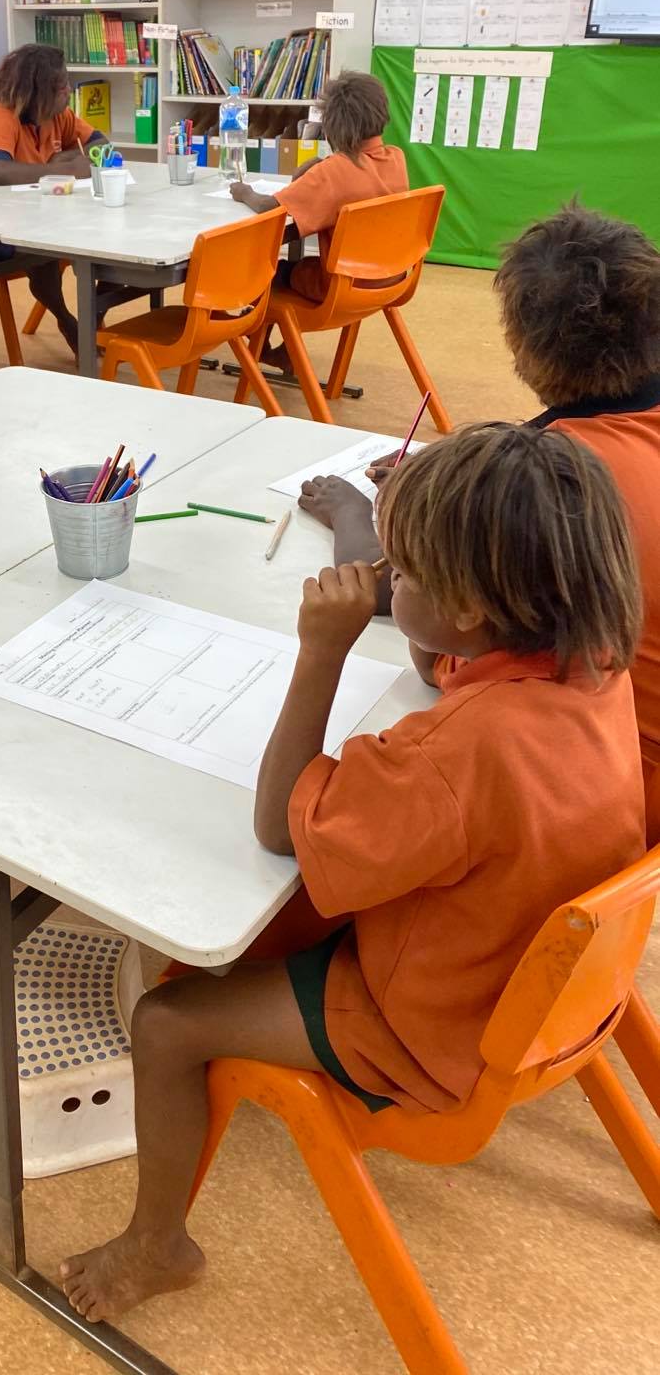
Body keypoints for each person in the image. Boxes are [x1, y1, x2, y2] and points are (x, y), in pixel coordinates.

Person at [60, 424, 646, 1324]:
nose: (384, 580)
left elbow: (276, 822)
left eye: (401, 574)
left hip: (429, 1027)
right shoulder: (593, 660)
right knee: (247, 939)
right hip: (540, 983)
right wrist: (431, 634)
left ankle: (157, 1245)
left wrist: (322, 650)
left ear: (469, 608)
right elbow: (459, 670)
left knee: (168, 1019)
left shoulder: (449, 760)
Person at [300, 204, 660, 806]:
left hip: (588, 785)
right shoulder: (566, 464)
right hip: (609, 769)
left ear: (520, 345)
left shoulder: (567, 477)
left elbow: (413, 600)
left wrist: (358, 513)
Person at [230, 70, 408, 367]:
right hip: (388, 278)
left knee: (266, 273)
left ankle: (259, 350)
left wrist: (244, 191)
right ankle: (284, 351)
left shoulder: (334, 173)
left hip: (338, 289)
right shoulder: (395, 158)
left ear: (332, 124)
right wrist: (317, 167)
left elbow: (268, 207)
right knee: (293, 267)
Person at [0, 43, 118, 354]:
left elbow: (102, 145)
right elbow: (1, 172)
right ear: (37, 92)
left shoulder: (56, 115)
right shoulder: (1, 116)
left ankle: (91, 320)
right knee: (48, 254)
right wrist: (59, 170)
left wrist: (72, 159)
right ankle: (69, 321)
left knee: (112, 243)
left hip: (45, 214)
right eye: (61, 85)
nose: (69, 90)